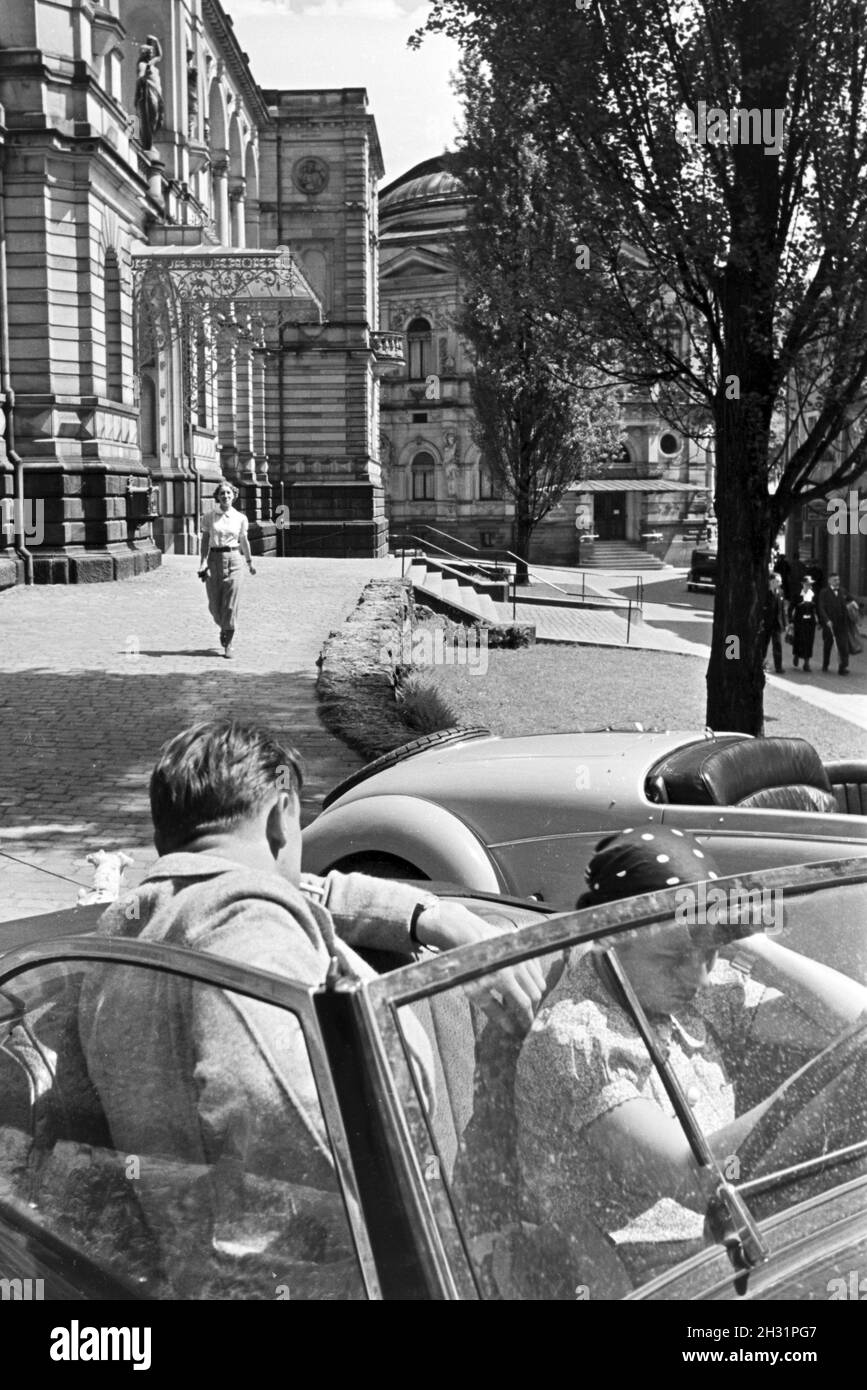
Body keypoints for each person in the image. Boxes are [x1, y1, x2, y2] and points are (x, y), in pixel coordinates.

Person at [77, 720, 543, 1296]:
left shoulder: (130, 931)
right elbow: (295, 1118)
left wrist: (425, 914)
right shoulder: (244, 926)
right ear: (282, 814)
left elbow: (293, 887)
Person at [514, 826, 867, 1287]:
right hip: (639, 1276)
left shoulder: (695, 987)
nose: (698, 978)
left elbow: (857, 1020)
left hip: (733, 1242)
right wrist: (821, 1082)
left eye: (710, 953)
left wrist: (748, 945)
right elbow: (693, 1179)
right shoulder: (576, 1038)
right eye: (671, 957)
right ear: (607, 938)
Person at [198, 481, 255, 657]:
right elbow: (205, 540)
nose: (226, 496)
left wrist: (249, 561)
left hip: (235, 560)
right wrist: (203, 562)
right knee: (215, 604)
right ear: (217, 496)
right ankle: (223, 625)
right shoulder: (208, 517)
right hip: (214, 560)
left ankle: (228, 641)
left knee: (231, 603)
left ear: (234, 496)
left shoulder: (240, 518)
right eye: (222, 493)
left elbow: (244, 541)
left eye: (229, 494)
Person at [817, 571, 853, 674]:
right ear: (829, 581)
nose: (837, 582)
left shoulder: (842, 591)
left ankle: (843, 667)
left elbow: (851, 599)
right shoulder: (824, 593)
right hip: (829, 624)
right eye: (835, 580)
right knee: (828, 645)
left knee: (843, 646)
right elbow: (821, 607)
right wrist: (826, 620)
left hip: (842, 624)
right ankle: (825, 664)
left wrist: (853, 604)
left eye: (838, 580)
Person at [135, 37, 165, 149]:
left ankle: (149, 141)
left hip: (157, 94)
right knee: (150, 117)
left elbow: (160, 56)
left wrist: (157, 41)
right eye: (150, 52)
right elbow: (140, 76)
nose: (152, 54)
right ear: (145, 54)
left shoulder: (151, 64)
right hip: (149, 93)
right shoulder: (143, 65)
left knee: (157, 118)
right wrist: (141, 79)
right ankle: (147, 143)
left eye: (152, 52)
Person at [789, 573, 817, 673]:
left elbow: (816, 608)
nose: (809, 586)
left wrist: (819, 620)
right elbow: (791, 608)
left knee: (809, 641)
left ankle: (806, 663)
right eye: (807, 584)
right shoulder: (797, 595)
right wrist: (791, 621)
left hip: (810, 622)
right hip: (799, 621)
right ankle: (796, 655)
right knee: (799, 640)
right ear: (803, 584)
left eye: (810, 584)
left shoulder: (813, 595)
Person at [762, 573, 785, 673]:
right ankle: (761, 663)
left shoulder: (780, 592)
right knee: (764, 644)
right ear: (772, 582)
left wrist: (784, 624)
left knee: (778, 645)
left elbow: (782, 610)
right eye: (778, 581)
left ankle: (778, 666)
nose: (780, 583)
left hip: (777, 623)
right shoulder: (764, 593)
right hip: (766, 623)